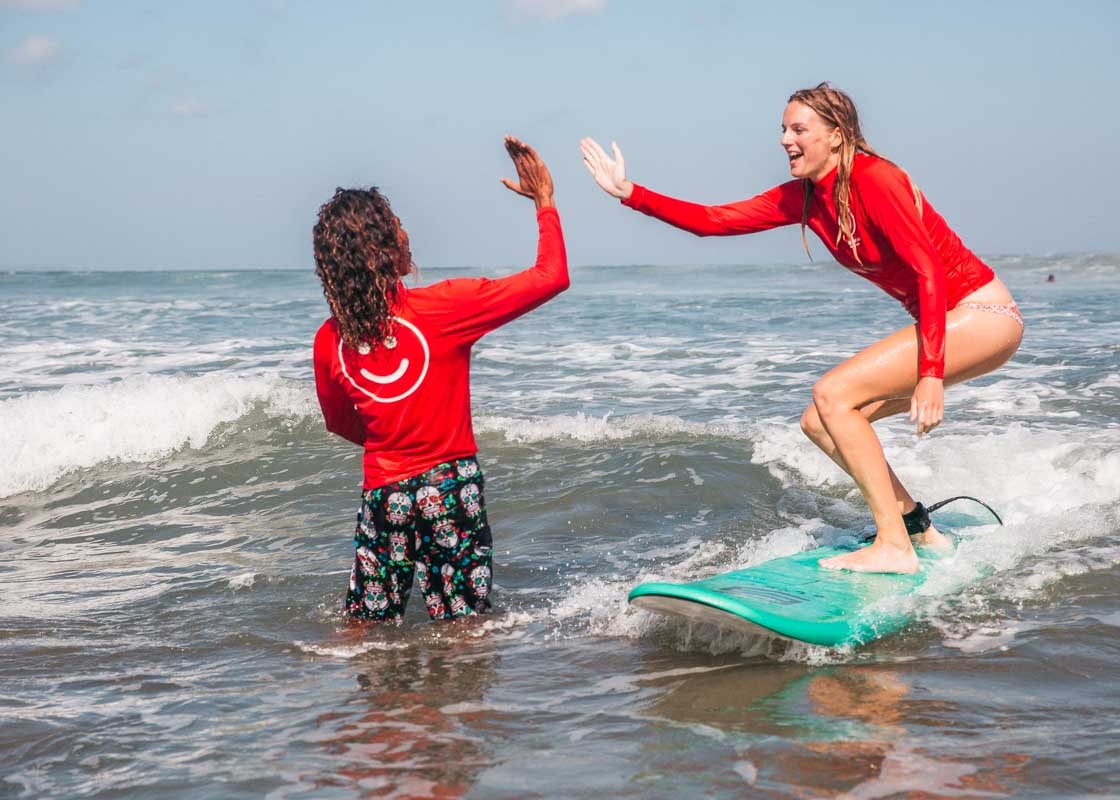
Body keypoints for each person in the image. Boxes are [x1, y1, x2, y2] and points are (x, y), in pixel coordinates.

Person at [581, 83, 1023, 574]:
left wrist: (931, 374)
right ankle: (916, 530)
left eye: (798, 129)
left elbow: (928, 271)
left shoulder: (876, 179)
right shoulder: (808, 198)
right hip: (952, 324)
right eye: (783, 130)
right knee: (819, 420)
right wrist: (630, 193)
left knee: (833, 393)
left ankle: (893, 547)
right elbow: (713, 220)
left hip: (983, 316)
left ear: (836, 135)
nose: (785, 140)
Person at [312, 136, 568, 621]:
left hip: (383, 494)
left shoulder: (330, 339)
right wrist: (544, 202)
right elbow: (551, 276)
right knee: (462, 628)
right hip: (451, 489)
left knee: (365, 625)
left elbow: (341, 424)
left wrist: (396, 440)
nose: (407, 233)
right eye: (397, 225)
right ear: (383, 248)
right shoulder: (446, 306)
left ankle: (348, 675)